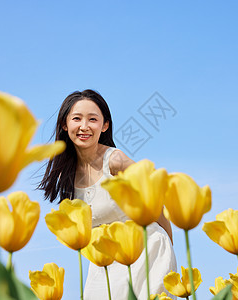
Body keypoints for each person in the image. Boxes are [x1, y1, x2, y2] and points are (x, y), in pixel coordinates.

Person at [39, 89, 177, 300]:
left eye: (92, 119)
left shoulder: (115, 161)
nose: (84, 126)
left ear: (104, 126)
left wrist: (169, 246)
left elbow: (154, 200)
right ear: (65, 125)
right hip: (105, 264)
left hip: (146, 254)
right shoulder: (68, 174)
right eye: (77, 118)